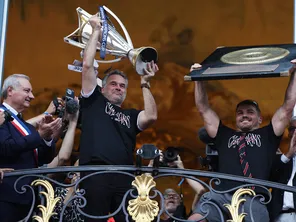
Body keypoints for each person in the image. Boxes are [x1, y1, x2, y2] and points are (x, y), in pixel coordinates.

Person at [188, 61, 296, 222]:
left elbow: (288, 106)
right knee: (195, 220)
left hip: (252, 198)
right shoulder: (223, 134)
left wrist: (295, 74)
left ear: (259, 118)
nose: (244, 115)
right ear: (236, 118)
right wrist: (197, 78)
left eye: (250, 112)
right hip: (221, 195)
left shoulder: (268, 134)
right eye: (240, 112)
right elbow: (203, 108)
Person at [79, 15, 158, 222]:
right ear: (102, 87)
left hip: (125, 176)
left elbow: (150, 116)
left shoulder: (130, 115)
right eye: (113, 84)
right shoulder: (93, 100)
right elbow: (87, 66)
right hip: (95, 173)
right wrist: (96, 30)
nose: (118, 88)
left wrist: (145, 83)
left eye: (122, 86)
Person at [0, 74, 62, 222]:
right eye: (27, 91)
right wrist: (39, 135)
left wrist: (47, 138)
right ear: (10, 91)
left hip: (27, 197)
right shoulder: (1, 116)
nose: (32, 96)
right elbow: (6, 148)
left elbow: (43, 159)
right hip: (6, 196)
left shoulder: (25, 125)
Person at [149, 154, 206, 222]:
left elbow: (200, 190)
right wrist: (150, 166)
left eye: (175, 196)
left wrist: (182, 169)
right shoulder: (153, 220)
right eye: (166, 196)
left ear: (180, 201)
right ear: (161, 203)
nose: (171, 197)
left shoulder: (188, 219)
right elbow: (142, 189)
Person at [269, 117, 296, 222]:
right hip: (280, 216)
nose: (295, 133)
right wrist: (288, 155)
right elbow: (269, 178)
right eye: (292, 129)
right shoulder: (282, 159)